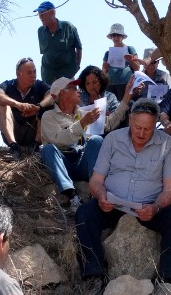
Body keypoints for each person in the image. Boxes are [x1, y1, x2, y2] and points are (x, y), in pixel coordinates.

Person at [75, 99, 171, 295]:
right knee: (84, 213)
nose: (142, 133)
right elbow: (96, 181)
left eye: (148, 129)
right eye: (138, 127)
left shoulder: (168, 144)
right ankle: (94, 277)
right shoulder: (112, 139)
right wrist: (101, 197)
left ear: (156, 125)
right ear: (130, 121)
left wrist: (156, 207)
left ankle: (168, 284)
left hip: (148, 205)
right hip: (113, 203)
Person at [40, 73, 131, 214]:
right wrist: (82, 124)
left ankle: (96, 190)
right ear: (62, 94)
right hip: (63, 164)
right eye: (74, 88)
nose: (79, 91)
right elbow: (57, 139)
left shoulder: (83, 113)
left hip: (82, 161)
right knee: (48, 149)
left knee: (96, 140)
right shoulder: (49, 116)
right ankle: (72, 196)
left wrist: (126, 98)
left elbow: (109, 124)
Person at [0, 56, 50, 159]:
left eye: (34, 72)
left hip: (33, 132)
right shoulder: (8, 85)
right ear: (18, 74)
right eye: (29, 73)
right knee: (1, 105)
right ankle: (14, 147)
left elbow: (52, 95)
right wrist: (18, 104)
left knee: (46, 107)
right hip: (14, 132)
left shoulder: (39, 85)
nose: (33, 75)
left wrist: (38, 107)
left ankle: (35, 146)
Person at [34, 1, 82, 84]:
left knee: (69, 96)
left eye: (42, 13)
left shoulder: (68, 27)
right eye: (39, 14)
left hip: (67, 76)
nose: (40, 16)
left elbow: (79, 48)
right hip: (48, 77)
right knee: (48, 97)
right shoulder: (40, 31)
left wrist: (76, 67)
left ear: (52, 12)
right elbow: (44, 53)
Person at [101, 23, 140, 100]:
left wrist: (131, 60)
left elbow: (137, 68)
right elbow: (103, 73)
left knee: (127, 108)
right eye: (113, 35)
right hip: (111, 86)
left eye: (118, 35)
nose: (116, 37)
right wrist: (105, 68)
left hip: (126, 85)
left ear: (122, 36)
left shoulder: (130, 49)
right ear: (111, 37)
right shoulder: (107, 53)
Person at [77, 65, 120, 129]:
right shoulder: (79, 97)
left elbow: (116, 119)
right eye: (88, 83)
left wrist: (109, 116)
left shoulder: (110, 97)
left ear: (101, 81)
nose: (91, 87)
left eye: (94, 82)